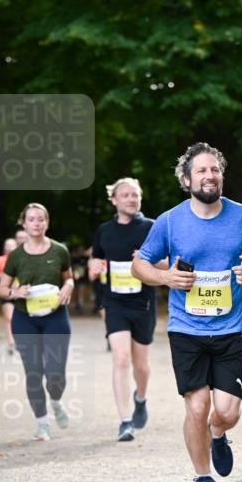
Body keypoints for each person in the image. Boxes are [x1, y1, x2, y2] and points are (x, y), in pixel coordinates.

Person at [132, 142, 242, 482]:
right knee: (196, 405)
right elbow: (140, 264)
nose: (210, 176)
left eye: (215, 170)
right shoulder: (170, 221)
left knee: (226, 411)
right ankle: (202, 476)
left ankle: (218, 434)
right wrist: (165, 279)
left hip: (229, 329)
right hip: (186, 328)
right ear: (187, 178)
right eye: (202, 171)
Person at [0, 203, 74, 441]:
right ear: (24, 223)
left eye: (41, 219)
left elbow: (69, 278)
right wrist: (15, 293)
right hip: (25, 319)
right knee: (33, 372)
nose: (36, 223)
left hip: (55, 317)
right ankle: (42, 424)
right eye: (31, 219)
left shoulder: (59, 250)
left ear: (47, 222)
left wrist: (68, 287)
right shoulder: (16, 256)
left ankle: (56, 401)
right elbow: (2, 288)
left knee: (56, 374)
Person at [89, 178, 157, 441]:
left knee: (141, 364)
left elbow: (167, 263)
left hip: (143, 302)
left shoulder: (151, 227)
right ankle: (125, 421)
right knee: (120, 358)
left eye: (135, 195)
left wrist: (147, 260)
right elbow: (96, 258)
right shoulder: (104, 230)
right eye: (126, 195)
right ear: (114, 200)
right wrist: (94, 267)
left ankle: (140, 397)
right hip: (115, 302)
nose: (131, 199)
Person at [0, 237, 18, 352]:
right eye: (7, 245)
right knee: (9, 317)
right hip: (6, 293)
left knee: (21, 318)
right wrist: (7, 282)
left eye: (11, 245)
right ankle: (11, 342)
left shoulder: (22, 259)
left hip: (20, 293)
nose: (9, 247)